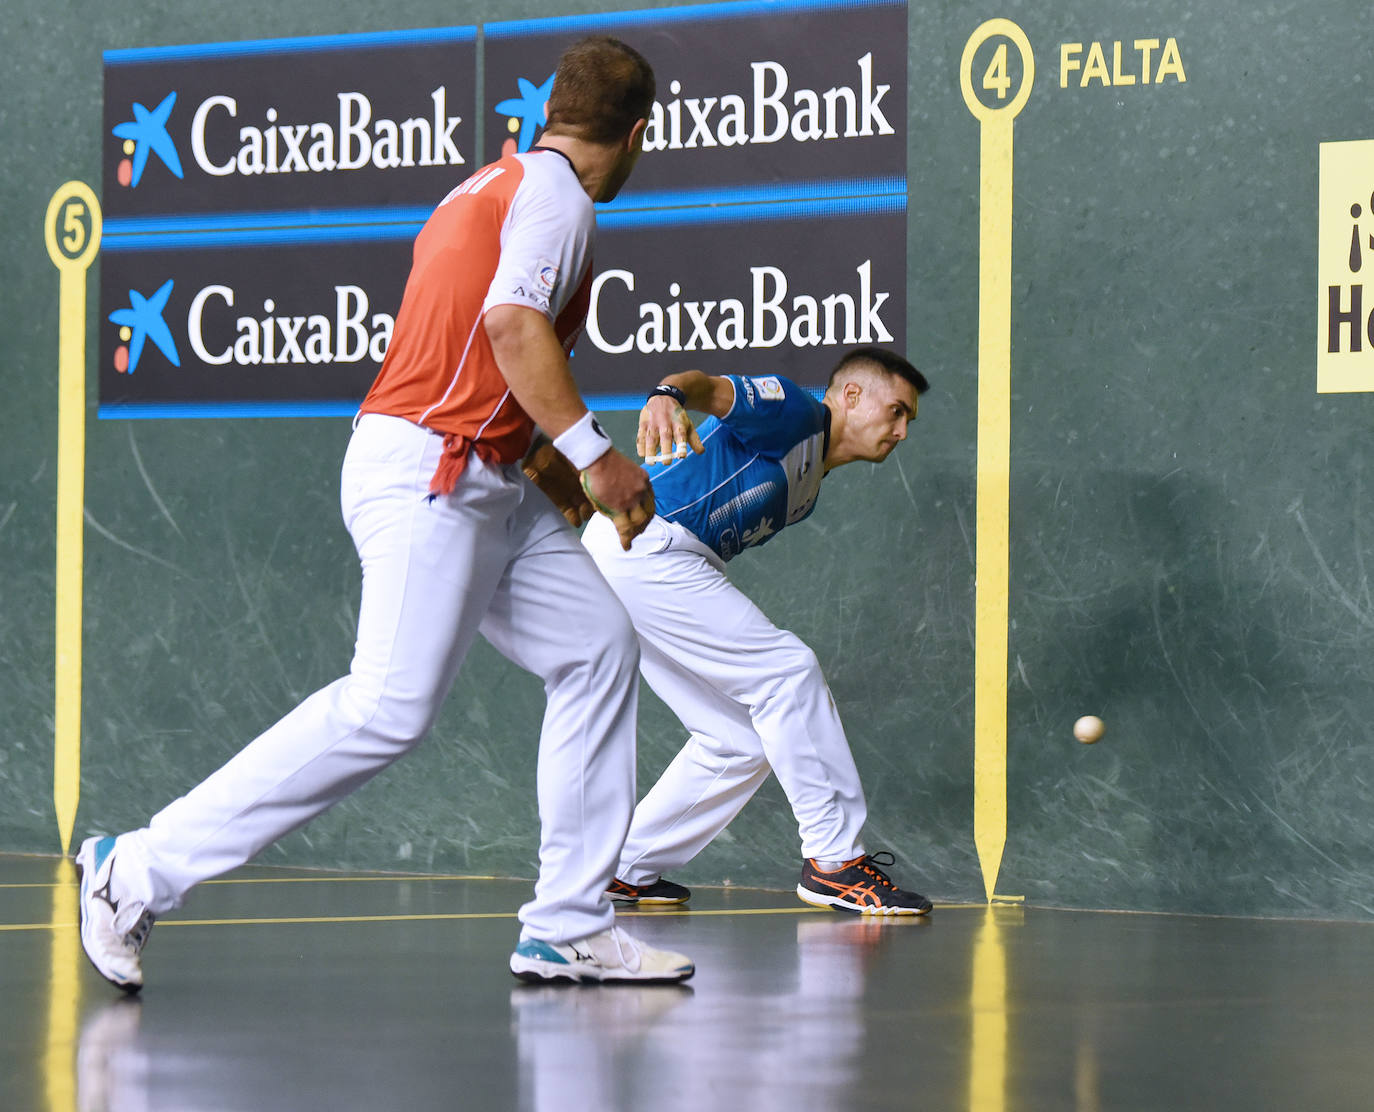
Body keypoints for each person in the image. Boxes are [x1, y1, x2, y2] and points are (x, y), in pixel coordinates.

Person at [75, 36, 695, 991]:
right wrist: (599, 460)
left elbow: (488, 369)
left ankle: (569, 924)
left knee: (598, 646)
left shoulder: (486, 184)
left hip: (480, 474)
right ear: (640, 134)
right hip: (430, 473)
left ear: (549, 114)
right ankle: (134, 870)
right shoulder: (561, 200)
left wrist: (566, 486)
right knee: (388, 707)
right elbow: (511, 329)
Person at [581, 348, 934, 914]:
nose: (901, 431)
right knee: (787, 672)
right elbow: (703, 386)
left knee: (738, 740)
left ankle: (622, 869)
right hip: (648, 547)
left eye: (908, 421)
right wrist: (667, 396)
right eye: (895, 411)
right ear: (850, 396)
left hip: (638, 560)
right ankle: (836, 860)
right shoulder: (794, 413)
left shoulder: (809, 487)